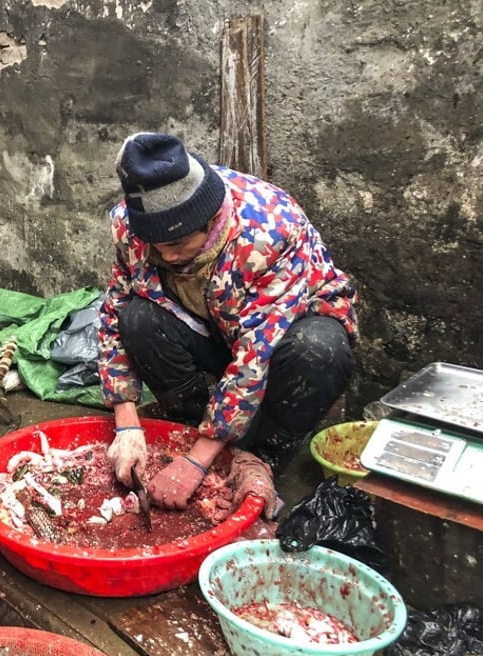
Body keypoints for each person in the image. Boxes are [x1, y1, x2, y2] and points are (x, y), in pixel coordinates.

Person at [100, 132, 357, 513]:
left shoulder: (269, 231)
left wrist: (195, 463)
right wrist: (126, 423)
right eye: (156, 246)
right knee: (136, 318)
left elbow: (256, 355)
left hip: (285, 336)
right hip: (211, 326)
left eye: (179, 245)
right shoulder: (130, 228)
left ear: (210, 220)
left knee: (319, 350)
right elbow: (114, 309)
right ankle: (193, 428)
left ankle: (262, 457)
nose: (166, 256)